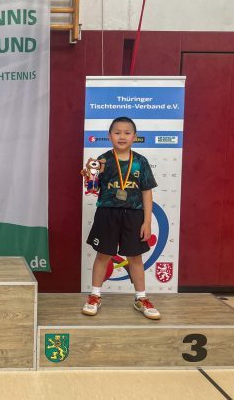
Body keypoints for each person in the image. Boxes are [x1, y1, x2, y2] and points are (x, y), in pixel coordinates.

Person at [82, 116, 160, 320]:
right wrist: (89, 176)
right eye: (117, 133)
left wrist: (147, 222)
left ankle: (141, 298)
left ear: (134, 136)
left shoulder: (141, 162)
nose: (122, 136)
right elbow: (92, 187)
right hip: (107, 213)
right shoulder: (103, 160)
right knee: (103, 255)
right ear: (109, 136)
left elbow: (147, 192)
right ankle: (95, 295)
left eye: (127, 133)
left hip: (134, 215)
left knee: (135, 257)